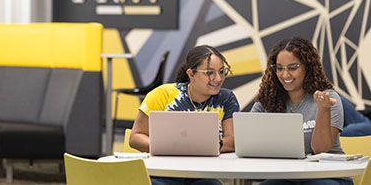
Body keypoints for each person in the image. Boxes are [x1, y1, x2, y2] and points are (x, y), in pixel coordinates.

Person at [130, 45, 240, 185]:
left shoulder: (226, 98)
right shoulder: (162, 95)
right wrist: (164, 146)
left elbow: (233, 141)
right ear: (191, 74)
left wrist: (206, 146)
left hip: (202, 174)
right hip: (163, 172)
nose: (218, 78)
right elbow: (135, 137)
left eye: (222, 71)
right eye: (209, 73)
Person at [252, 36, 353, 185]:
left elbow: (320, 149)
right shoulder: (266, 101)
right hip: (286, 177)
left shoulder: (329, 98)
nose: (285, 75)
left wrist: (323, 110)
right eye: (279, 68)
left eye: (293, 67)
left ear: (308, 66)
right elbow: (249, 144)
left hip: (328, 176)